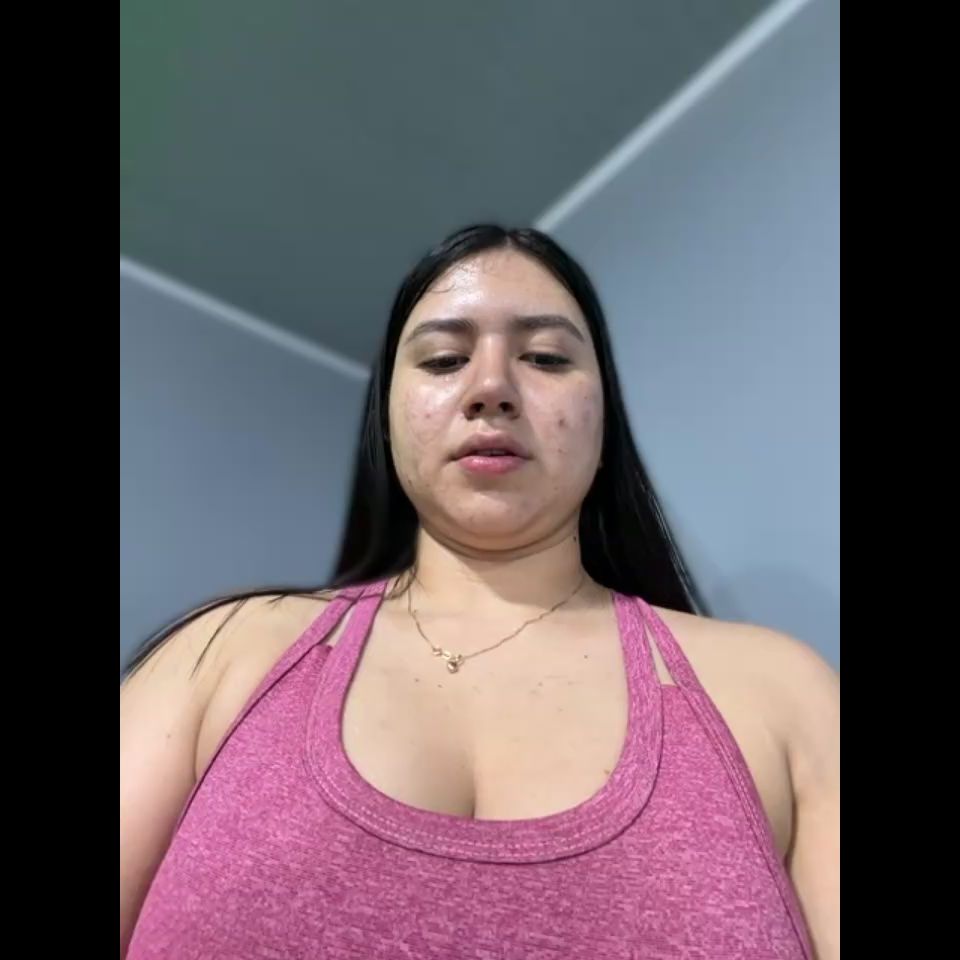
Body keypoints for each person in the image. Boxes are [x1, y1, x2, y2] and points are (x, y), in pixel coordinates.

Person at [120, 224, 839, 959]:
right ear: (388, 420)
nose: (491, 387)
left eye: (546, 357)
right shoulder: (221, 652)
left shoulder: (783, 692)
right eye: (444, 359)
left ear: (604, 423)